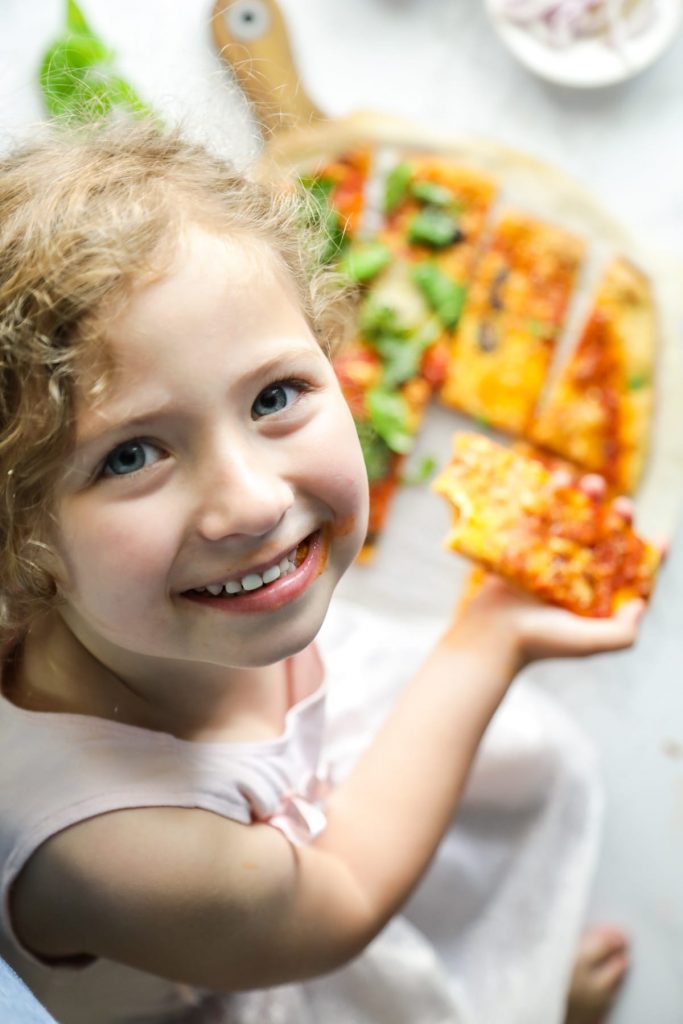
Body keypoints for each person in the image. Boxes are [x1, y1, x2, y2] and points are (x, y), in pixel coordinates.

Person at [0, 118, 642, 1024]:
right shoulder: (107, 849)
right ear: (17, 549)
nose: (256, 503)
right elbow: (338, 895)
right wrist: (486, 642)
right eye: (132, 456)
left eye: (273, 397)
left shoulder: (182, 607)